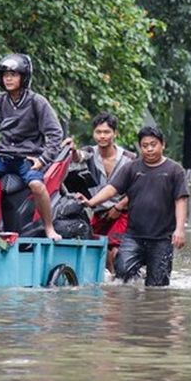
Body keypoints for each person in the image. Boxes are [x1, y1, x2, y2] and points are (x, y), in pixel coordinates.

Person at [0, 53, 63, 240]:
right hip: (2, 156)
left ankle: (49, 227)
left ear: (24, 77)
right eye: (5, 75)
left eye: (14, 74)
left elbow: (55, 133)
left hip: (26, 158)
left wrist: (43, 159)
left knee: (36, 186)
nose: (8, 78)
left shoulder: (37, 101)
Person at [76, 126, 189, 286]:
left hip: (162, 238)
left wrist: (180, 230)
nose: (149, 149)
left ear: (162, 145)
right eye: (144, 145)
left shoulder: (175, 170)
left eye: (153, 144)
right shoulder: (131, 168)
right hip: (133, 236)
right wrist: (91, 202)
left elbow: (181, 200)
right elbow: (111, 189)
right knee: (122, 275)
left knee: (157, 287)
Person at [67, 112, 136, 272]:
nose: (102, 136)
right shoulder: (90, 153)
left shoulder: (128, 158)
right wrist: (73, 150)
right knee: (98, 252)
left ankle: (115, 290)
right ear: (93, 133)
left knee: (114, 250)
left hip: (122, 212)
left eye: (107, 132)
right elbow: (78, 156)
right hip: (98, 212)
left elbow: (136, 189)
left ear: (115, 134)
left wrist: (119, 207)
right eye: (98, 132)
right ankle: (112, 286)